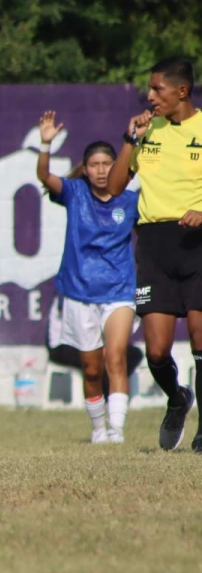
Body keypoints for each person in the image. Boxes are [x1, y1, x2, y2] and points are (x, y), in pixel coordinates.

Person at [108, 57, 202, 451]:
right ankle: (178, 398)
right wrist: (130, 140)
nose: (149, 96)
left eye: (157, 89)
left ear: (181, 91)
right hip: (154, 245)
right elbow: (114, 187)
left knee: (201, 344)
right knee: (157, 351)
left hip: (197, 245)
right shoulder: (146, 131)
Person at [36, 111, 140, 443]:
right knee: (92, 370)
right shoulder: (74, 193)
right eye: (94, 165)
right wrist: (45, 144)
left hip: (120, 290)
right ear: (85, 168)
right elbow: (43, 176)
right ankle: (98, 428)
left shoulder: (132, 201)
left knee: (116, 357)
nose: (100, 170)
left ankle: (117, 430)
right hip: (80, 292)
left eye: (107, 164)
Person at [46, 295, 145, 401]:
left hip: (92, 343)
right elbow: (76, 327)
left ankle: (115, 398)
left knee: (132, 354)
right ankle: (103, 399)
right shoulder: (69, 292)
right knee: (97, 359)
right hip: (63, 345)